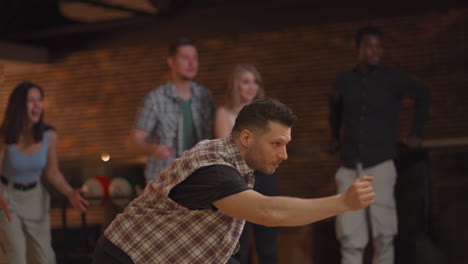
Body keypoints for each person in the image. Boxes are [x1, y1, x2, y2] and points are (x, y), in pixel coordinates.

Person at [93, 99, 375, 264]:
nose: (284, 154)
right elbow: (269, 213)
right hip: (124, 257)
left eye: (286, 144)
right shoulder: (214, 170)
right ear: (247, 138)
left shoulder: (233, 160)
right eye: (276, 144)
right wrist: (343, 202)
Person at [328, 26, 430, 264]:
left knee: (384, 234)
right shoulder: (344, 79)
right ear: (359, 49)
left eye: (378, 46)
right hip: (350, 164)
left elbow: (423, 95)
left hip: (380, 164)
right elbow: (335, 110)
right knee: (350, 235)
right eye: (369, 46)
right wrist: (333, 137)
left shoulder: (392, 79)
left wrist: (415, 133)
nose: (375, 51)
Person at [0, 82, 89, 264]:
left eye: (39, 100)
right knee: (15, 255)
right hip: (6, 198)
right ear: (18, 105)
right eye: (31, 101)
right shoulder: (4, 135)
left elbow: (52, 172)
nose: (37, 105)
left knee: (44, 258)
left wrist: (70, 192)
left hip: (35, 197)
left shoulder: (49, 135)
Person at [215, 64, 278, 264]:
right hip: (237, 181)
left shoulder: (266, 113)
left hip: (264, 177)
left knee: (268, 245)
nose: (251, 87)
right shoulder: (223, 112)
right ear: (235, 85)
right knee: (239, 245)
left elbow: (274, 148)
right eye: (245, 82)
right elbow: (229, 149)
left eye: (254, 82)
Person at [130, 37, 215, 182]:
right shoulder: (155, 99)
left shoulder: (205, 96)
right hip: (165, 180)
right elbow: (135, 140)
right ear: (171, 62)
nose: (191, 63)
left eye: (195, 58)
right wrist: (153, 149)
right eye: (185, 58)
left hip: (200, 177)